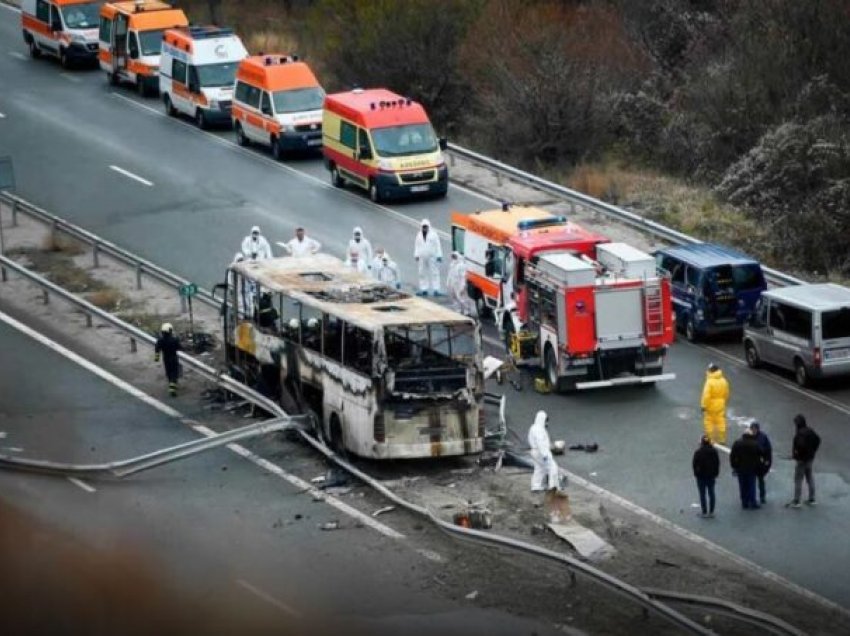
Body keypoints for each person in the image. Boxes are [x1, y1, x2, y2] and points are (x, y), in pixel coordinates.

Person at [787, 414, 821, 508]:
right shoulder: (810, 430)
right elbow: (818, 440)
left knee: (798, 479)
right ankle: (812, 498)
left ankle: (797, 501)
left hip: (801, 460)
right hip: (810, 459)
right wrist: (813, 451)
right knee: (809, 477)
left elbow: (800, 446)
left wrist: (797, 455)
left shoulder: (800, 433)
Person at [730, 426, 764, 509]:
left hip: (740, 468)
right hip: (752, 468)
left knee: (742, 485)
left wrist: (734, 466)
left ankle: (744, 502)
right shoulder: (755, 444)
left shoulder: (737, 443)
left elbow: (732, 455)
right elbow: (761, 453)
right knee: (751, 485)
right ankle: (752, 502)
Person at [527, 411, 560, 492]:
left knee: (539, 469)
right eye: (546, 421)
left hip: (535, 451)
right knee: (553, 467)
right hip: (541, 453)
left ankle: (535, 486)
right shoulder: (539, 430)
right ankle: (553, 487)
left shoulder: (534, 428)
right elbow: (540, 443)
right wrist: (545, 455)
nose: (547, 424)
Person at [701, 362, 729, 445]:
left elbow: (706, 395)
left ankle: (710, 439)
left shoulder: (709, 382)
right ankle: (722, 438)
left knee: (709, 422)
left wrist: (703, 406)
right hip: (720, 404)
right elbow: (727, 393)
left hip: (710, 405)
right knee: (720, 421)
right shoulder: (724, 380)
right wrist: (724, 401)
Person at [692, 434, 720, 518]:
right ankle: (711, 512)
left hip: (701, 477)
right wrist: (716, 473)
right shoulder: (714, 451)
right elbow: (717, 463)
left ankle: (704, 512)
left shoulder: (698, 452)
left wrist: (696, 474)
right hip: (711, 476)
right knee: (711, 493)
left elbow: (694, 464)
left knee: (702, 494)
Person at [414, 218, 442, 296]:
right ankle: (424, 289)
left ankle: (436, 289)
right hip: (422, 257)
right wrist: (416, 255)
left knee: (434, 272)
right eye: (423, 227)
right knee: (422, 273)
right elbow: (417, 245)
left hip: (432, 256)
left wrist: (439, 255)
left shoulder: (434, 234)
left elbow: (438, 245)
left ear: (429, 226)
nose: (425, 228)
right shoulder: (419, 235)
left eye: (426, 227)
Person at [154, 323, 182, 397]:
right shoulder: (174, 339)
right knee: (174, 373)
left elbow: (157, 349)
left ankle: (171, 385)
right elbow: (179, 347)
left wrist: (156, 358)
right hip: (173, 358)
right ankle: (172, 388)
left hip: (166, 358)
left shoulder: (160, 340)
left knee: (169, 373)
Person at [750, 421, 773, 504]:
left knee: (760, 480)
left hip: (760, 462)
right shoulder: (749, 437)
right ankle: (752, 497)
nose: (753, 430)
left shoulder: (763, 437)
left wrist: (767, 461)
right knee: (752, 481)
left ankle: (762, 496)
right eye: (752, 429)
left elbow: (768, 450)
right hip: (752, 462)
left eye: (754, 429)